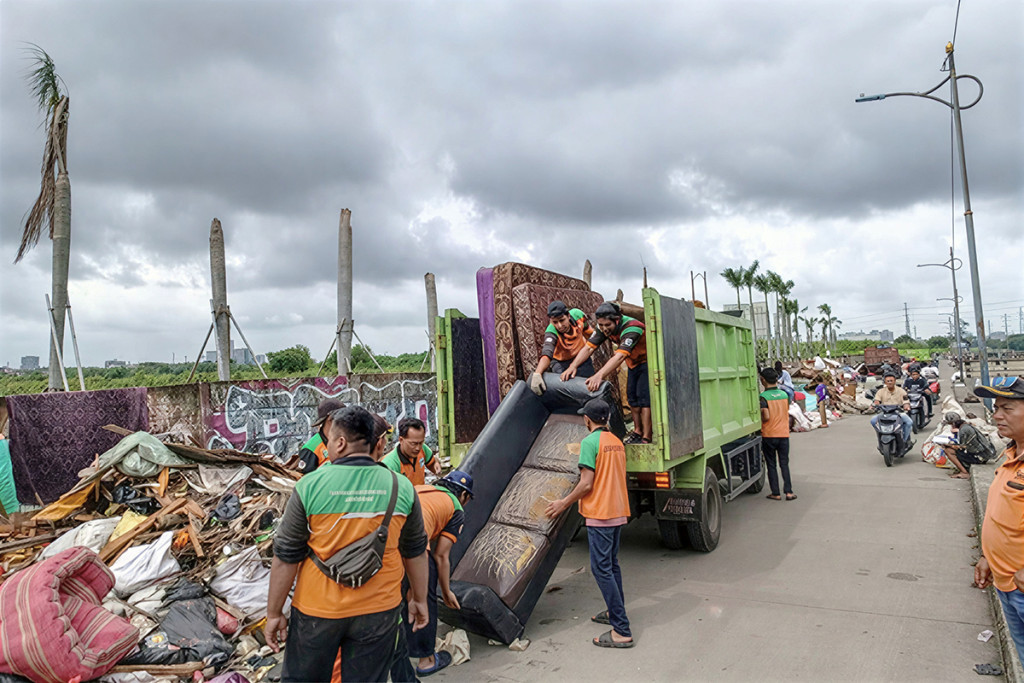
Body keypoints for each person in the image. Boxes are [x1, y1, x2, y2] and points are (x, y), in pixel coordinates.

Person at [266, 406, 430, 683]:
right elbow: (415, 551)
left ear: (340, 442)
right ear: (374, 442)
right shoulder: (401, 487)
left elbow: (286, 557)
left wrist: (274, 613)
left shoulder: (310, 487)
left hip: (318, 611)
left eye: (329, 440)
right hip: (380, 610)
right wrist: (419, 599)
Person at [545, 398, 633, 648]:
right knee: (612, 566)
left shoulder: (589, 443)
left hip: (600, 514)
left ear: (587, 419)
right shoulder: (616, 442)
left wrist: (563, 503)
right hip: (617, 510)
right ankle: (615, 612)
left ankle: (622, 629)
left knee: (601, 569)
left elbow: (586, 483)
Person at [394, 471, 474, 678]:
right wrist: (446, 592)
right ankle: (426, 661)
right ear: (464, 496)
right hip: (414, 546)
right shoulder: (456, 508)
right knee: (424, 598)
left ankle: (402, 650)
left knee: (399, 598)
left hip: (388, 544)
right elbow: (441, 556)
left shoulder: (421, 488)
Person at [972, 376, 1024, 663]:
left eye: (1008, 408)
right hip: (1007, 583)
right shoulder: (1011, 454)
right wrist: (988, 556)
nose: (997, 415)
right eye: (996, 408)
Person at [563, 302, 651, 444]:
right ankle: (637, 431)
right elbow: (589, 348)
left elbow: (620, 356)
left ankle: (646, 436)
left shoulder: (632, 328)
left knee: (644, 400)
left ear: (617, 320)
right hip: (633, 363)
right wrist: (572, 366)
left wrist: (599, 375)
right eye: (601, 325)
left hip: (647, 362)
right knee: (632, 398)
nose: (604, 329)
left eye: (607, 325)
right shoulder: (603, 327)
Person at [530, 300, 596, 395]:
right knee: (566, 388)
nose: (559, 325)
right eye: (555, 322)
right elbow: (547, 354)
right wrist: (537, 373)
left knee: (589, 387)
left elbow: (588, 331)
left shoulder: (578, 315)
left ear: (568, 316)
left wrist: (590, 346)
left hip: (580, 356)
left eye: (562, 320)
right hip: (561, 362)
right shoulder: (551, 331)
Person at [759, 369, 796, 501]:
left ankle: (776, 492)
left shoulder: (763, 397)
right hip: (783, 433)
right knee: (784, 463)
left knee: (771, 464)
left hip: (769, 435)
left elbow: (766, 416)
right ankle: (789, 492)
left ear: (763, 380)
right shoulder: (785, 395)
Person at [383, 417, 441, 485]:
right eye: (413, 444)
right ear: (401, 440)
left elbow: (432, 462)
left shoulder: (422, 448)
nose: (418, 448)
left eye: (421, 442)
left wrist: (436, 464)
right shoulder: (389, 465)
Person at [295, 398, 347, 474]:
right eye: (344, 418)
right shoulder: (311, 449)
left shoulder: (344, 441)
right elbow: (303, 479)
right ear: (330, 419)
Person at [941, 412, 995, 479]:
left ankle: (964, 473)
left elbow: (962, 447)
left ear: (954, 424)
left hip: (979, 457)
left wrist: (949, 445)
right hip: (983, 454)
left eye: (951, 424)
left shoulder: (964, 430)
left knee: (948, 450)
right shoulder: (966, 426)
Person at [871, 372, 913, 447]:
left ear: (895, 381)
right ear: (885, 382)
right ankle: (880, 436)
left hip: (897, 413)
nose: (890, 382)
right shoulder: (880, 391)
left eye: (891, 381)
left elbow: (906, 401)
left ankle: (905, 440)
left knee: (909, 422)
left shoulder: (901, 391)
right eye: (888, 381)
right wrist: (874, 405)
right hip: (884, 413)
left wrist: (906, 406)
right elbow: (877, 400)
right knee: (873, 420)